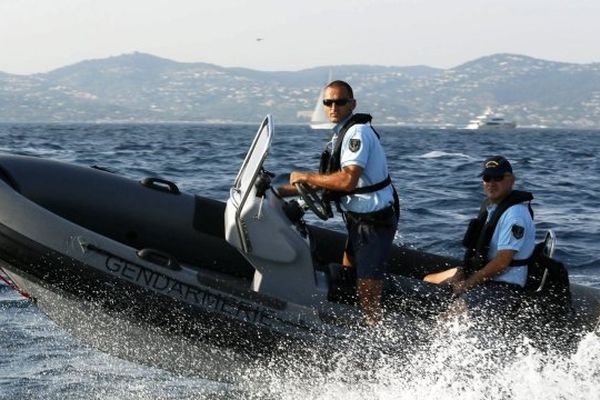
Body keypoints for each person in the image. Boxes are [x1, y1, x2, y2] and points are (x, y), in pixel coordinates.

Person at [278, 80, 398, 326]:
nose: (333, 107)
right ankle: (351, 328)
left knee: (367, 294)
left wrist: (305, 176)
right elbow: (329, 180)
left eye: (340, 102)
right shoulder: (339, 134)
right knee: (348, 275)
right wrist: (277, 190)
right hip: (358, 221)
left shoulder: (357, 133)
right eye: (328, 102)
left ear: (352, 104)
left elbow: (346, 181)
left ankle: (378, 341)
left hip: (373, 223)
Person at [424, 156, 536, 316]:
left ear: (511, 180)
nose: (491, 183)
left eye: (498, 177)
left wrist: (468, 283)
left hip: (504, 287)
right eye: (487, 178)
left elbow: (502, 262)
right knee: (429, 280)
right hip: (484, 276)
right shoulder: (493, 207)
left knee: (453, 315)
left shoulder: (515, 215)